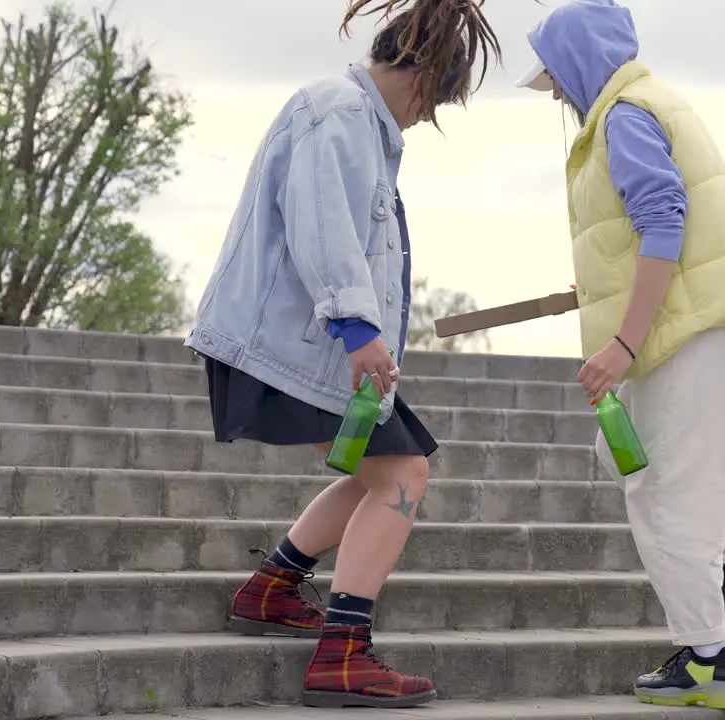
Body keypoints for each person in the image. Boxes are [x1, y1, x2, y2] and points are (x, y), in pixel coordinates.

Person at [183, 0, 504, 709]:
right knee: (404, 472)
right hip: (291, 339)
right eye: (439, 97)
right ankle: (344, 652)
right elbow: (322, 224)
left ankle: (271, 588)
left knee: (381, 471)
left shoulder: (357, 123)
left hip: (307, 341)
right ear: (417, 70)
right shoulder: (340, 114)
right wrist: (358, 328)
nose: (429, 116)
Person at [515, 0, 725, 710]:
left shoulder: (624, 116)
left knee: (664, 489)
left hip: (695, 323)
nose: (553, 91)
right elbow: (647, 228)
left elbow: (663, 220)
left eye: (554, 76)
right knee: (632, 458)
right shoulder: (636, 104)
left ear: (579, 61)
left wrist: (621, 343)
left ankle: (710, 661)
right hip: (699, 313)